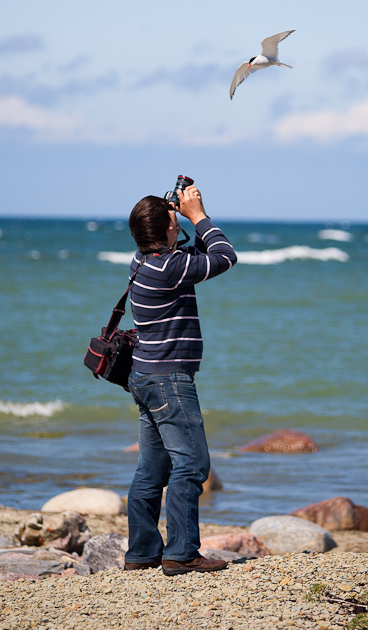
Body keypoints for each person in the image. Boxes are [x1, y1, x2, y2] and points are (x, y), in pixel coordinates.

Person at [123, 183, 237, 576]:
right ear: (168, 231)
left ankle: (141, 554)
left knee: (151, 469)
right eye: (174, 222)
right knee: (192, 464)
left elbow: (195, 257)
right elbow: (225, 256)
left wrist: (175, 217)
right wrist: (198, 215)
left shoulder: (144, 262)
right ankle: (182, 552)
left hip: (145, 376)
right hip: (170, 380)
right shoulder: (170, 268)